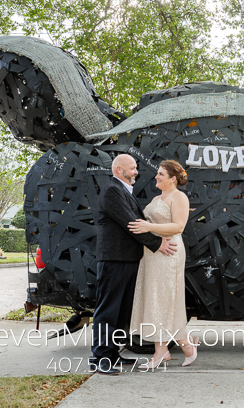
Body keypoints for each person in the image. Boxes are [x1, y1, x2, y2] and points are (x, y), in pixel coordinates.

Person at [91, 154, 177, 375]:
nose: (136, 171)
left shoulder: (122, 190)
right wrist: (157, 243)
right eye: (132, 168)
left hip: (126, 258)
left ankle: (112, 354)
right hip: (114, 259)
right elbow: (131, 223)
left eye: (136, 167)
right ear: (119, 170)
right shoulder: (112, 190)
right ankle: (101, 358)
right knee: (108, 310)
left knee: (120, 312)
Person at [128, 159, 198, 369]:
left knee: (166, 299)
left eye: (161, 174)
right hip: (152, 253)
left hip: (169, 251)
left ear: (173, 178)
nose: (156, 177)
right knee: (155, 299)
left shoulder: (179, 197)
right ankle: (167, 349)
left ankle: (175, 348)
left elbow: (179, 226)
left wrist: (148, 227)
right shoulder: (157, 198)